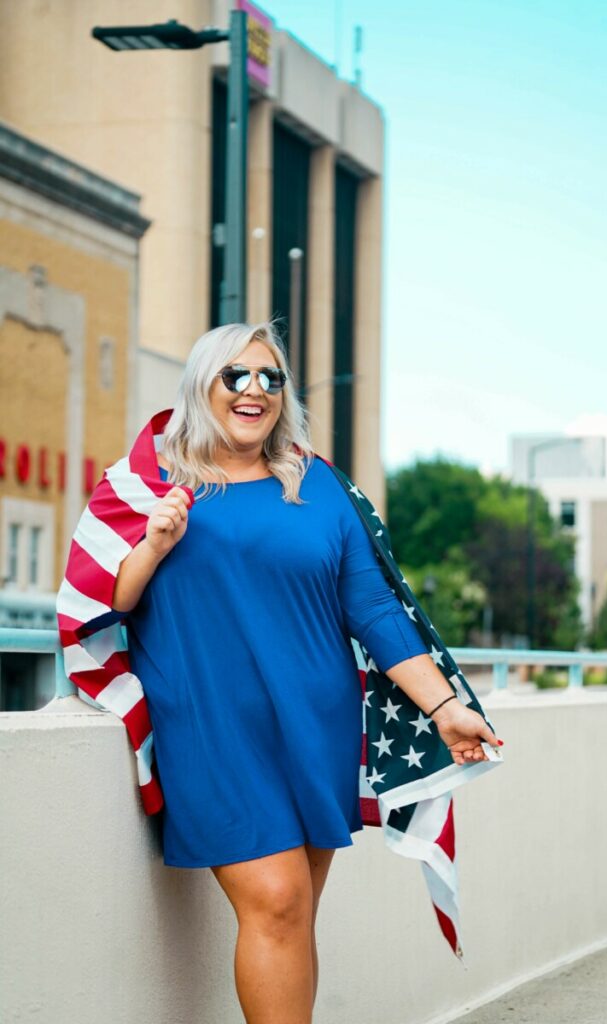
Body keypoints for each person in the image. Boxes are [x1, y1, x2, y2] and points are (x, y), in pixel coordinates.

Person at [105, 321, 501, 1024]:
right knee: (279, 903)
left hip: (314, 725)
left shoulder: (315, 484)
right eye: (237, 375)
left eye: (271, 377)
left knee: (292, 917)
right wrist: (155, 542)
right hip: (212, 728)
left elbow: (374, 610)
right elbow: (107, 598)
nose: (255, 389)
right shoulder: (149, 479)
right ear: (202, 383)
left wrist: (444, 708)